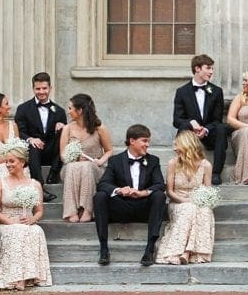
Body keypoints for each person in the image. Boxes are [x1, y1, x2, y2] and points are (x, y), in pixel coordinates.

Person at [93, 124, 167, 267]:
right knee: (100, 196)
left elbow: (160, 184)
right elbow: (103, 184)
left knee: (159, 196)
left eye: (148, 141)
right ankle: (103, 248)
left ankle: (150, 249)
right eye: (144, 141)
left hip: (143, 207)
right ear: (132, 141)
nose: (147, 145)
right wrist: (120, 190)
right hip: (122, 207)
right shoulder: (115, 160)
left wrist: (142, 193)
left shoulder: (153, 161)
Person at [0, 142, 52, 290]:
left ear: (22, 162)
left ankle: (30, 276)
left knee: (37, 231)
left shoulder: (35, 184)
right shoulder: (0, 183)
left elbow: (39, 211)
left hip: (27, 222)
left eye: (12, 161)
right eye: (6, 161)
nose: (8, 165)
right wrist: (10, 222)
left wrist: (33, 219)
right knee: (17, 231)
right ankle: (15, 278)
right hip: (5, 223)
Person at [155, 131, 215, 265]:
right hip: (177, 202)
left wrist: (201, 201)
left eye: (177, 145)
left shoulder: (206, 165)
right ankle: (177, 251)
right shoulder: (173, 163)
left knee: (205, 211)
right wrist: (185, 201)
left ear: (188, 145)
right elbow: (169, 191)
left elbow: (207, 190)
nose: (174, 149)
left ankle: (187, 253)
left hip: (198, 203)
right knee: (188, 209)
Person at [173, 54, 229, 185]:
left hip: (209, 135)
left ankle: (215, 173)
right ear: (197, 69)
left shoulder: (216, 91)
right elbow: (177, 120)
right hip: (190, 135)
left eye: (212, 69)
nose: (211, 72)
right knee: (183, 126)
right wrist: (191, 123)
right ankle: (184, 167)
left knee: (221, 128)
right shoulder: (182, 91)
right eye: (208, 68)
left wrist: (206, 129)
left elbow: (217, 120)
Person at [58, 93, 113, 223]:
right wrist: (72, 157)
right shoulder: (67, 129)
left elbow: (109, 150)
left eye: (70, 108)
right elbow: (62, 155)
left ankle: (87, 210)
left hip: (94, 166)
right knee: (73, 166)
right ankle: (71, 211)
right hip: (71, 167)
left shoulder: (99, 128)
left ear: (80, 110)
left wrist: (100, 161)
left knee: (87, 166)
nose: (68, 111)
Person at [14, 71, 67, 202]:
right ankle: (39, 187)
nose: (41, 91)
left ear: (50, 88)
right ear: (33, 89)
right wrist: (30, 139)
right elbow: (19, 131)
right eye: (38, 89)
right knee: (32, 145)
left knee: (63, 132)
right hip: (33, 151)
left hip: (52, 152)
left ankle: (54, 174)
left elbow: (66, 136)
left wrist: (63, 127)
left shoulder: (59, 110)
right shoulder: (23, 108)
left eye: (44, 88)